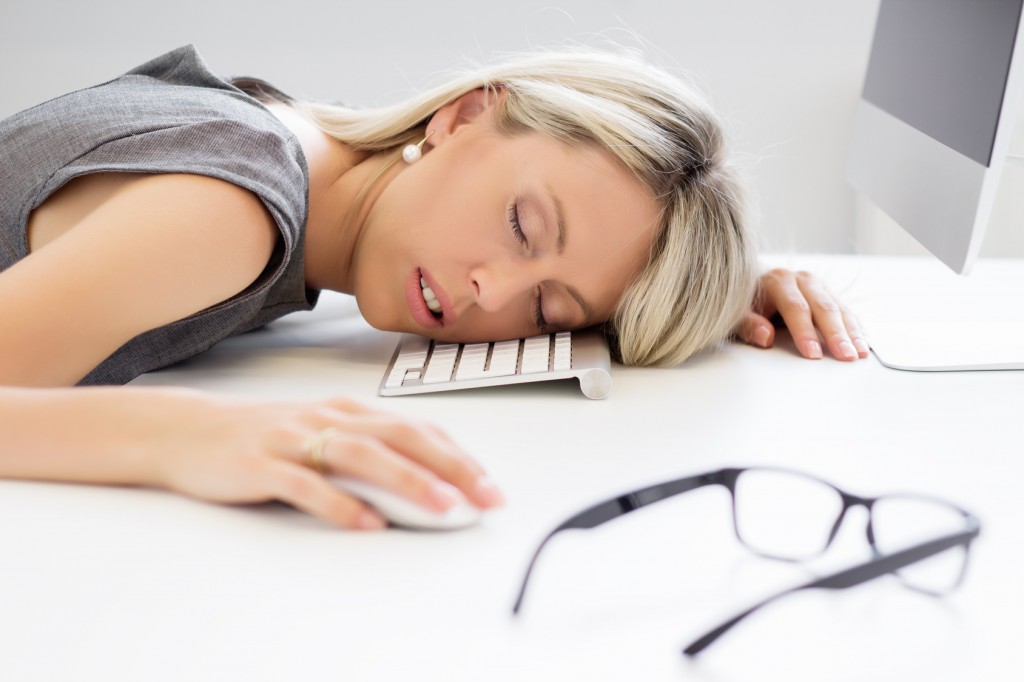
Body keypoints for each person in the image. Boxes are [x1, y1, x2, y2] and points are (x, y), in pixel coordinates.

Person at [0, 45, 868, 530]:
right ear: (462, 117)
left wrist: (706, 286)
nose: (490, 290)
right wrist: (182, 438)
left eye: (547, 309)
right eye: (525, 226)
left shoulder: (286, 149)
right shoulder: (232, 206)